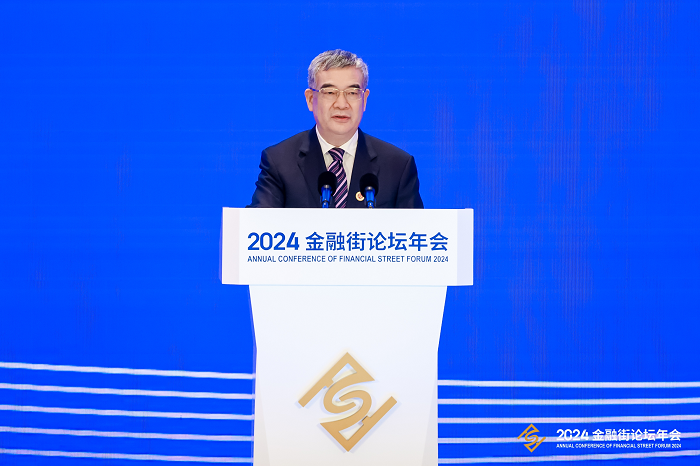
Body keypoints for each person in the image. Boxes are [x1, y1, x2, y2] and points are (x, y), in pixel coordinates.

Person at [248, 49, 423, 209]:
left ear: (364, 100)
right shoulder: (279, 161)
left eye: (352, 93)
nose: (341, 104)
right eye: (330, 92)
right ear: (310, 99)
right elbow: (256, 227)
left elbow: (416, 230)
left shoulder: (397, 166)